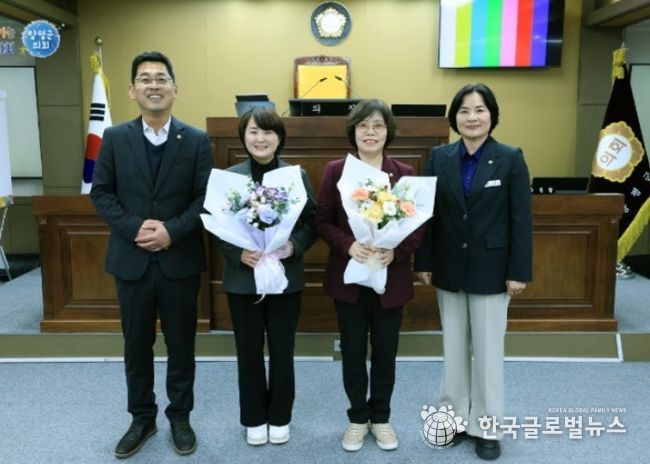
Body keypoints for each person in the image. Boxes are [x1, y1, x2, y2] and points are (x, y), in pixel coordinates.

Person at [91, 51, 213, 459]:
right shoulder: (115, 137)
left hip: (179, 260)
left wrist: (171, 231)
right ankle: (141, 418)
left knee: (182, 346)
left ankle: (180, 417)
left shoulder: (196, 140)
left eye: (161, 78)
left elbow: (205, 198)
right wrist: (135, 227)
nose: (154, 85)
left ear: (175, 89)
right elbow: (102, 193)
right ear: (132, 90)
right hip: (132, 260)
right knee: (136, 346)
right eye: (145, 79)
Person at [414, 83, 533, 460]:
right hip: (448, 268)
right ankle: (451, 420)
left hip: (493, 271)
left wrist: (519, 271)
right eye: (464, 111)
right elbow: (428, 215)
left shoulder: (510, 158)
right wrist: (424, 261)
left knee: (488, 352)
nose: (472, 117)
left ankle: (487, 427)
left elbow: (521, 220)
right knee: (452, 351)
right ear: (454, 118)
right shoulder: (439, 157)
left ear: (492, 116)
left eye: (480, 110)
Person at [315, 99, 424, 452]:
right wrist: (348, 245)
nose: (370, 132)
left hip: (390, 278)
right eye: (363, 125)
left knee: (385, 353)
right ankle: (357, 419)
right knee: (352, 352)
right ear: (354, 131)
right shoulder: (336, 171)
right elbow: (322, 221)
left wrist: (396, 252)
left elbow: (418, 226)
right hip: (349, 277)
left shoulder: (404, 173)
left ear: (388, 131)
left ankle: (381, 418)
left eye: (378, 125)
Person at [216, 107, 317, 446]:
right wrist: (238, 253)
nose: (261, 138)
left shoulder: (295, 176)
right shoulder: (230, 178)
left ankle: (280, 416)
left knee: (282, 349)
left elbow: (311, 222)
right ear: (243, 137)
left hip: (285, 277)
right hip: (243, 279)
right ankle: (254, 418)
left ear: (280, 138)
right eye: (254, 131)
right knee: (248, 351)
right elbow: (216, 226)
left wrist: (294, 245)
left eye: (268, 132)